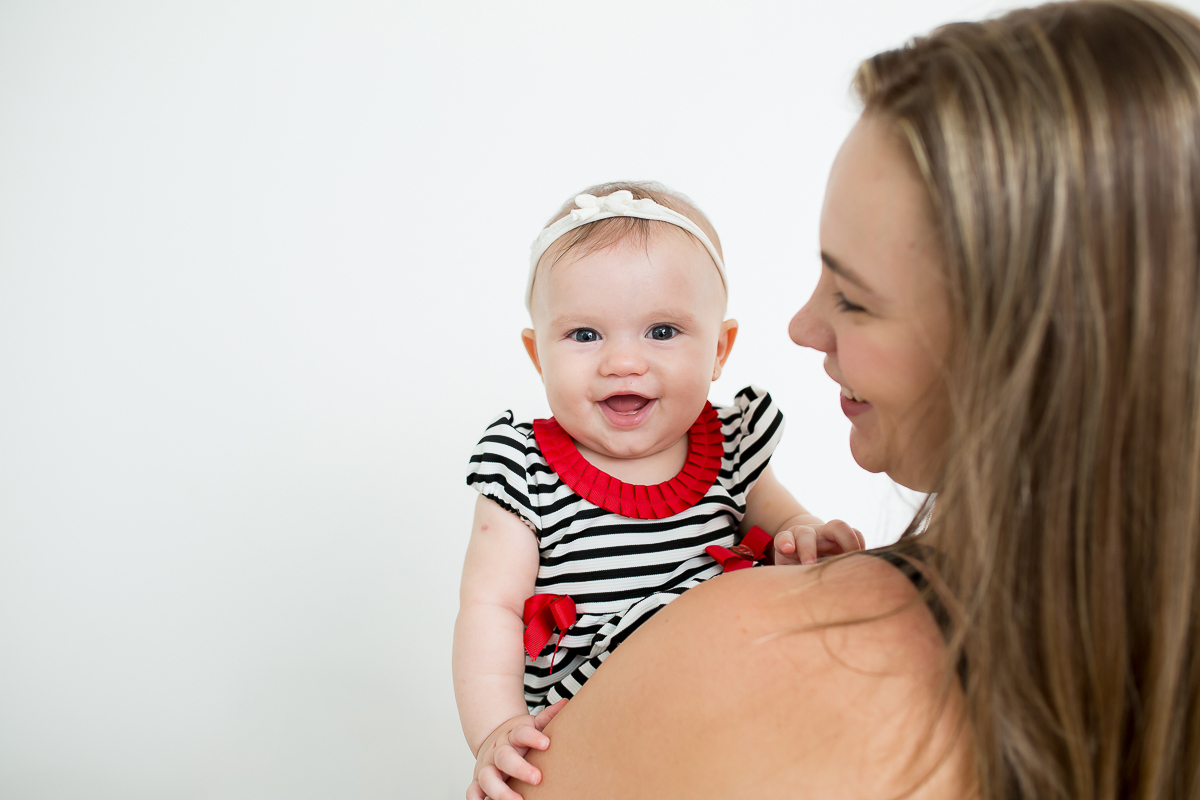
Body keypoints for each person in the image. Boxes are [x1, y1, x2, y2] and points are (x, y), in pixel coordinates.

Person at [496, 2, 1200, 798]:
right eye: (583, 335)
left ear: (1034, 350)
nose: (802, 326)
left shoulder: (751, 650)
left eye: (856, 299)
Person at [452, 182, 865, 800]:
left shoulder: (731, 442)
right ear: (537, 356)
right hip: (592, 731)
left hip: (728, 726)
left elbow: (788, 526)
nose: (623, 362)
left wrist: (807, 534)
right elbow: (491, 610)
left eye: (662, 332)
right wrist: (496, 729)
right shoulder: (524, 468)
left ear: (720, 349)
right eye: (585, 335)